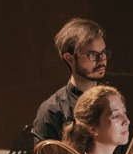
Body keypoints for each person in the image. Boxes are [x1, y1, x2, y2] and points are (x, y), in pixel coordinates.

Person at [31, 18, 111, 146]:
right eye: (92, 54)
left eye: (103, 53)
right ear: (69, 59)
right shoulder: (52, 110)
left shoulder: (112, 101)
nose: (102, 60)